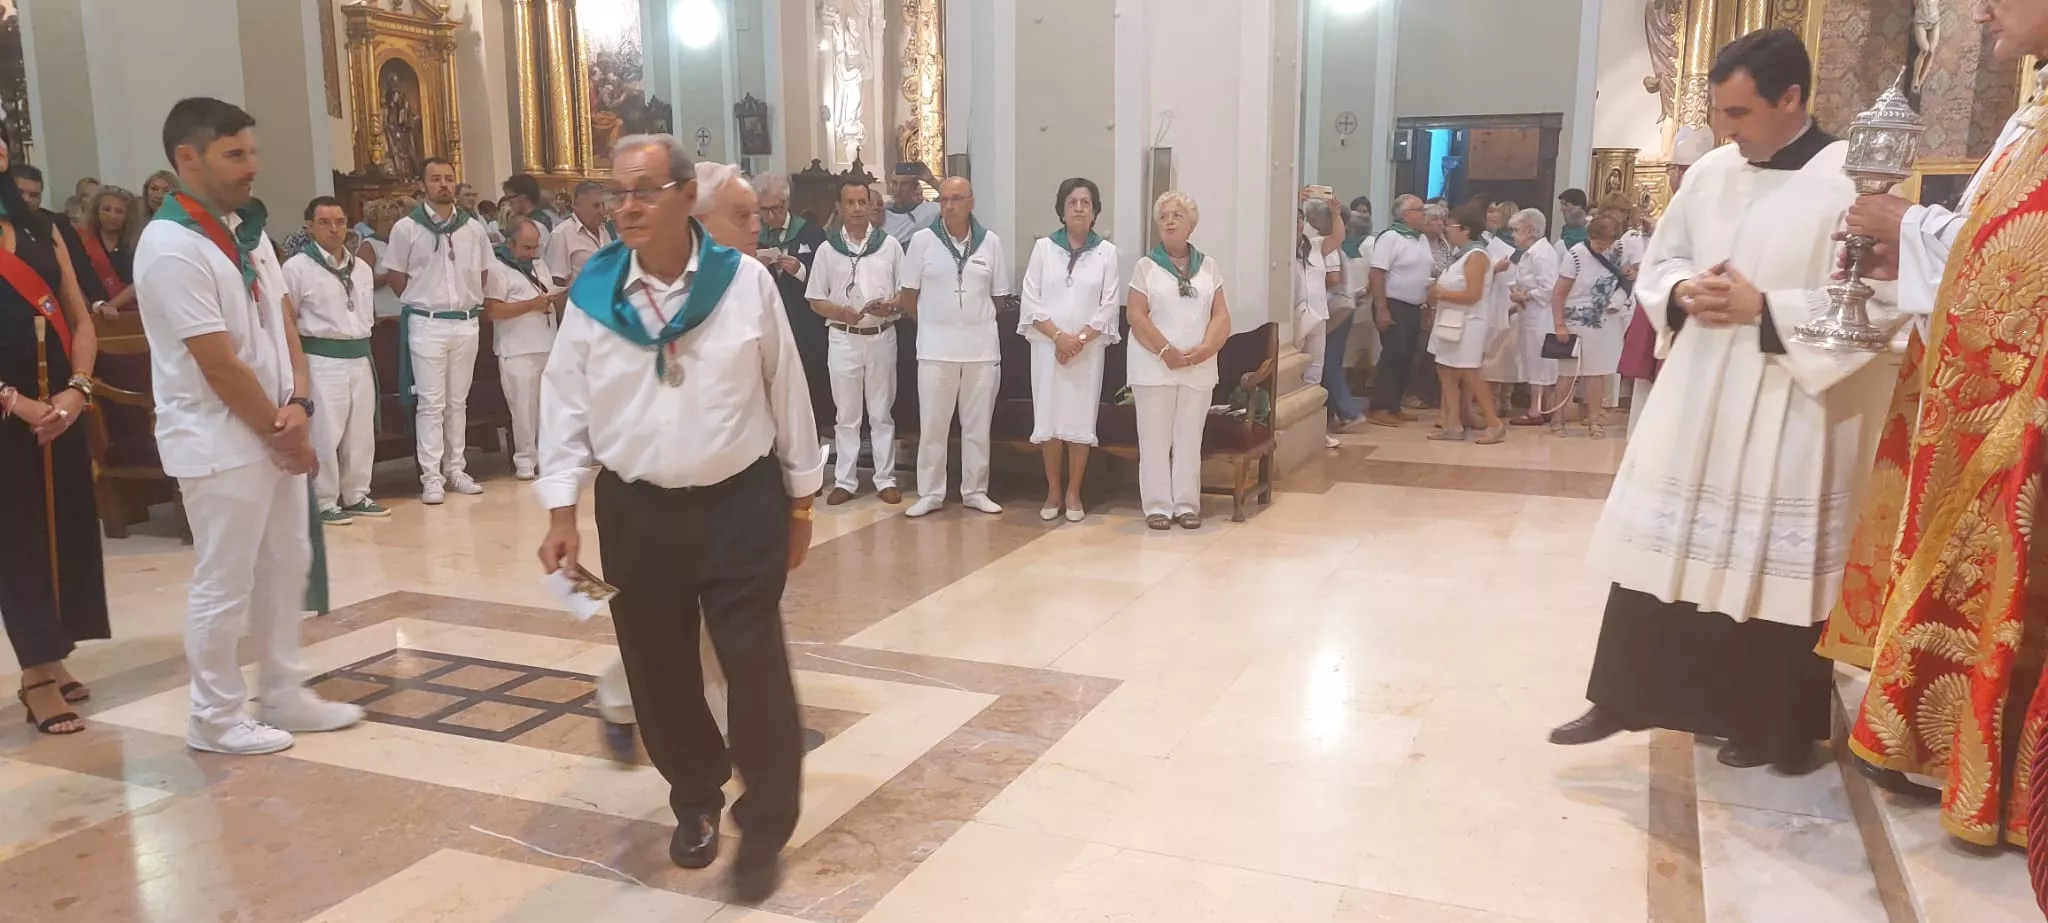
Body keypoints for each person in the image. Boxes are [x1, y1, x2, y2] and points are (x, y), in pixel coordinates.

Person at [1547, 30, 1901, 771]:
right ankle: (1626, 696)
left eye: (1739, 113)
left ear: (1791, 99)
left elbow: (1884, 302)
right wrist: (1680, 289)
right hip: (1704, 391)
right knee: (1665, 547)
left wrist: (1764, 307)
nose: (1727, 130)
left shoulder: (1851, 182)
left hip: (1790, 402)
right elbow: (1666, 255)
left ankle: (1767, 725)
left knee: (1769, 565)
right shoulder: (1710, 171)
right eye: (1720, 112)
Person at [534, 133, 818, 901]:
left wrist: (801, 497)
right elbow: (563, 404)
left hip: (739, 502)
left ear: (685, 196)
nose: (625, 206)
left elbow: (785, 386)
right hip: (637, 510)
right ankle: (695, 797)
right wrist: (562, 509)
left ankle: (765, 824)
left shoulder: (743, 283)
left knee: (753, 666)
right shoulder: (594, 295)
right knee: (658, 669)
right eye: (617, 191)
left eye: (645, 190)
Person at [1817, 0, 2048, 848]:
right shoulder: (2037, 107)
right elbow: (2002, 236)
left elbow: (2028, 257)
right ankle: (1938, 741)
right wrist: (1916, 246)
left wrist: (1911, 227)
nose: (1978, 9)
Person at [135, 96, 365, 755]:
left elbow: (282, 321)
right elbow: (216, 361)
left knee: (287, 560)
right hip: (219, 438)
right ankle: (213, 715)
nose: (251, 166)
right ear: (187, 158)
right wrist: (279, 424)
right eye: (234, 154)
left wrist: (298, 400)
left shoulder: (246, 231)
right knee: (225, 577)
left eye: (252, 152)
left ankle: (284, 690)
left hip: (272, 426)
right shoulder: (171, 246)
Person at [0, 123, 109, 736]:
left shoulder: (44, 228)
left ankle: (53, 648)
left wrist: (78, 389)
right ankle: (36, 673)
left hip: (60, 406)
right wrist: (15, 402)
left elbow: (79, 317)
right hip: (8, 413)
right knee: (17, 543)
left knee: (62, 531)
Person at [897, 176, 1009, 518]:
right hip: (934, 350)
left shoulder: (990, 243)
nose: (949, 206)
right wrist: (934, 323)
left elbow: (1000, 297)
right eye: (944, 199)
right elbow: (907, 297)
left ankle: (975, 490)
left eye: (957, 199)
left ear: (971, 202)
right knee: (933, 425)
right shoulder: (922, 242)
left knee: (977, 427)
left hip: (981, 350)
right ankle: (931, 492)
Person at [385, 157, 492, 504]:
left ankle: (456, 468)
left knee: (457, 402)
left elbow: (484, 272)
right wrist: (424, 299)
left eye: (448, 179)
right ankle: (431, 476)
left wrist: (468, 299)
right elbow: (396, 276)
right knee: (430, 403)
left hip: (464, 321)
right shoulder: (407, 227)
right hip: (427, 322)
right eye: (436, 179)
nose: (444, 185)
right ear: (424, 185)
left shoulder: (473, 228)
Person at [1126, 191, 1230, 532]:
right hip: (1154, 366)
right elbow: (1136, 316)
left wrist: (1205, 349)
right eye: (1164, 216)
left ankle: (1186, 505)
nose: (1170, 220)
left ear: (1191, 224)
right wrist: (1164, 351)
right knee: (1155, 440)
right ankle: (1157, 505)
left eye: (1177, 215)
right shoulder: (1146, 267)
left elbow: (1221, 316)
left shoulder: (1209, 266)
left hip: (1198, 366)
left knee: (1189, 439)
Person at [1019, 177, 1119, 522]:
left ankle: (1075, 491)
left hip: (1087, 352)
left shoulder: (1107, 253)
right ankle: (1053, 490)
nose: (1079, 208)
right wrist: (1058, 337)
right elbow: (1030, 299)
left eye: (1086, 203)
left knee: (1078, 419)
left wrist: (1077, 340)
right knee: (1049, 418)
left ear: (1095, 212)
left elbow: (1109, 304)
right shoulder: (1044, 248)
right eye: (1072, 202)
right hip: (1047, 348)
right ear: (1062, 210)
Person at [283, 196, 387, 526]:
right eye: (325, 222)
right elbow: (289, 316)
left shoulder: (362, 268)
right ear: (309, 227)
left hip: (358, 353)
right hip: (322, 356)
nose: (334, 229)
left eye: (340, 222)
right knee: (326, 431)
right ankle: (324, 498)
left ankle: (357, 492)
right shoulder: (297, 268)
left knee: (360, 429)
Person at [807, 178, 905, 506]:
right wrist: (839, 311)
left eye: (863, 202)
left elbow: (905, 291)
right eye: (850, 202)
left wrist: (891, 304)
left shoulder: (889, 246)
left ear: (872, 206)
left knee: (881, 412)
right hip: (844, 338)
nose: (858, 208)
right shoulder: (827, 249)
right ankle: (846, 480)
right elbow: (815, 299)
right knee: (847, 414)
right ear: (840, 207)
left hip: (880, 336)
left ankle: (885, 478)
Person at [485, 214, 566, 481]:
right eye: (526, 248)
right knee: (523, 410)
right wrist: (531, 305)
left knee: (547, 407)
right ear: (510, 243)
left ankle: (548, 456)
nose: (532, 253)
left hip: (546, 343)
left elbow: (545, 293)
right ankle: (525, 460)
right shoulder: (498, 268)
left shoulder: (539, 265)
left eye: (535, 247)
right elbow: (492, 310)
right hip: (516, 349)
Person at [756, 173, 832, 436]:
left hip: (804, 321)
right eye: (764, 210)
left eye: (776, 208)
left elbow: (826, 277)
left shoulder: (810, 232)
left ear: (786, 204)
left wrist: (800, 270)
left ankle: (816, 430)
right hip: (769, 320)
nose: (771, 216)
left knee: (810, 376)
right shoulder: (756, 235)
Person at [1425, 204, 1506, 443]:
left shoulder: (1476, 256)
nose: (1447, 230)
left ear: (1466, 230)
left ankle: (1494, 423)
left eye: (1450, 226)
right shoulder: (1459, 255)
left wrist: (1440, 294)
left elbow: (1473, 294)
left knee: (1469, 372)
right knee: (1445, 370)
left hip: (1469, 322)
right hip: (1450, 320)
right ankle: (1452, 424)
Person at [1547, 215, 1629, 438]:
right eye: (1597, 243)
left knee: (1596, 373)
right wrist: (1559, 324)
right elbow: (1559, 292)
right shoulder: (1575, 254)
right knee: (1567, 374)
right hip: (1575, 320)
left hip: (1603, 322)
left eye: (1605, 243)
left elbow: (1627, 280)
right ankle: (1557, 419)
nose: (1601, 247)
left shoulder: (1617, 253)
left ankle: (1594, 420)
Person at [1366, 194, 1432, 427]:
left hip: (1414, 306)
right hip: (1392, 304)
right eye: (1419, 210)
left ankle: (1394, 405)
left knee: (1407, 357)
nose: (1424, 213)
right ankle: (1378, 406)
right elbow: (1377, 272)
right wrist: (1382, 308)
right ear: (1405, 215)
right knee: (1393, 355)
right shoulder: (1390, 237)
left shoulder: (1420, 239)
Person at [1501, 208, 1561, 426]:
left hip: (1540, 316)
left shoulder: (1541, 254)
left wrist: (1524, 295)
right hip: (1530, 314)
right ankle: (1539, 406)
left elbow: (1549, 288)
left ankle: (1536, 409)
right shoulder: (1533, 253)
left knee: (1538, 362)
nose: (1514, 236)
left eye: (1517, 231)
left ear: (1530, 231)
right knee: (1532, 360)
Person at [1325, 196, 1371, 435]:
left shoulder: (1330, 248)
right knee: (1332, 361)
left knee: (1328, 363)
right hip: (1343, 308)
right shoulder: (1339, 247)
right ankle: (1334, 412)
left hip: (1334, 308)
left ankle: (1349, 411)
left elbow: (1332, 279)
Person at [76, 186, 137, 316]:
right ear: (96, 211)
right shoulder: (82, 241)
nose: (112, 215)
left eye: (119, 211)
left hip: (131, 315)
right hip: (92, 313)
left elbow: (138, 283)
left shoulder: (135, 244)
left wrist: (109, 307)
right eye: (106, 209)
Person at [541, 180, 614, 286]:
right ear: (576, 205)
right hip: (579, 300)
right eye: (596, 206)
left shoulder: (604, 231)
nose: (602, 211)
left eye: (603, 205)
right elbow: (556, 282)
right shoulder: (561, 235)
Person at [882, 163, 939, 247]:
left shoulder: (927, 212)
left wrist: (931, 181)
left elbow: (956, 200)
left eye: (904, 184)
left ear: (914, 187)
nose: (898, 189)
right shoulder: (882, 214)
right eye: (894, 183)